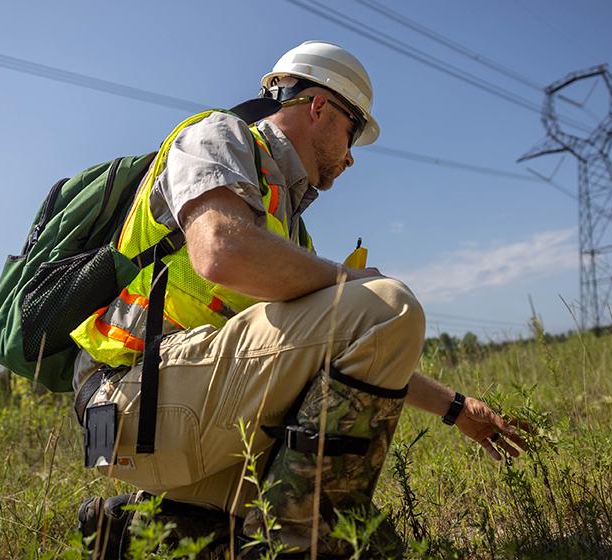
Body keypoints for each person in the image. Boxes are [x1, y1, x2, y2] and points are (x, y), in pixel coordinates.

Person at [73, 40, 528, 558]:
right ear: (318, 106)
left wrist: (454, 408)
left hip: (162, 413)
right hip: (128, 402)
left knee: (246, 519)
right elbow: (220, 252)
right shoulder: (218, 136)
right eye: (353, 130)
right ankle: (304, 543)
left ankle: (132, 532)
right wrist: (351, 285)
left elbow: (343, 341)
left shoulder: (285, 224)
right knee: (390, 302)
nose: (352, 155)